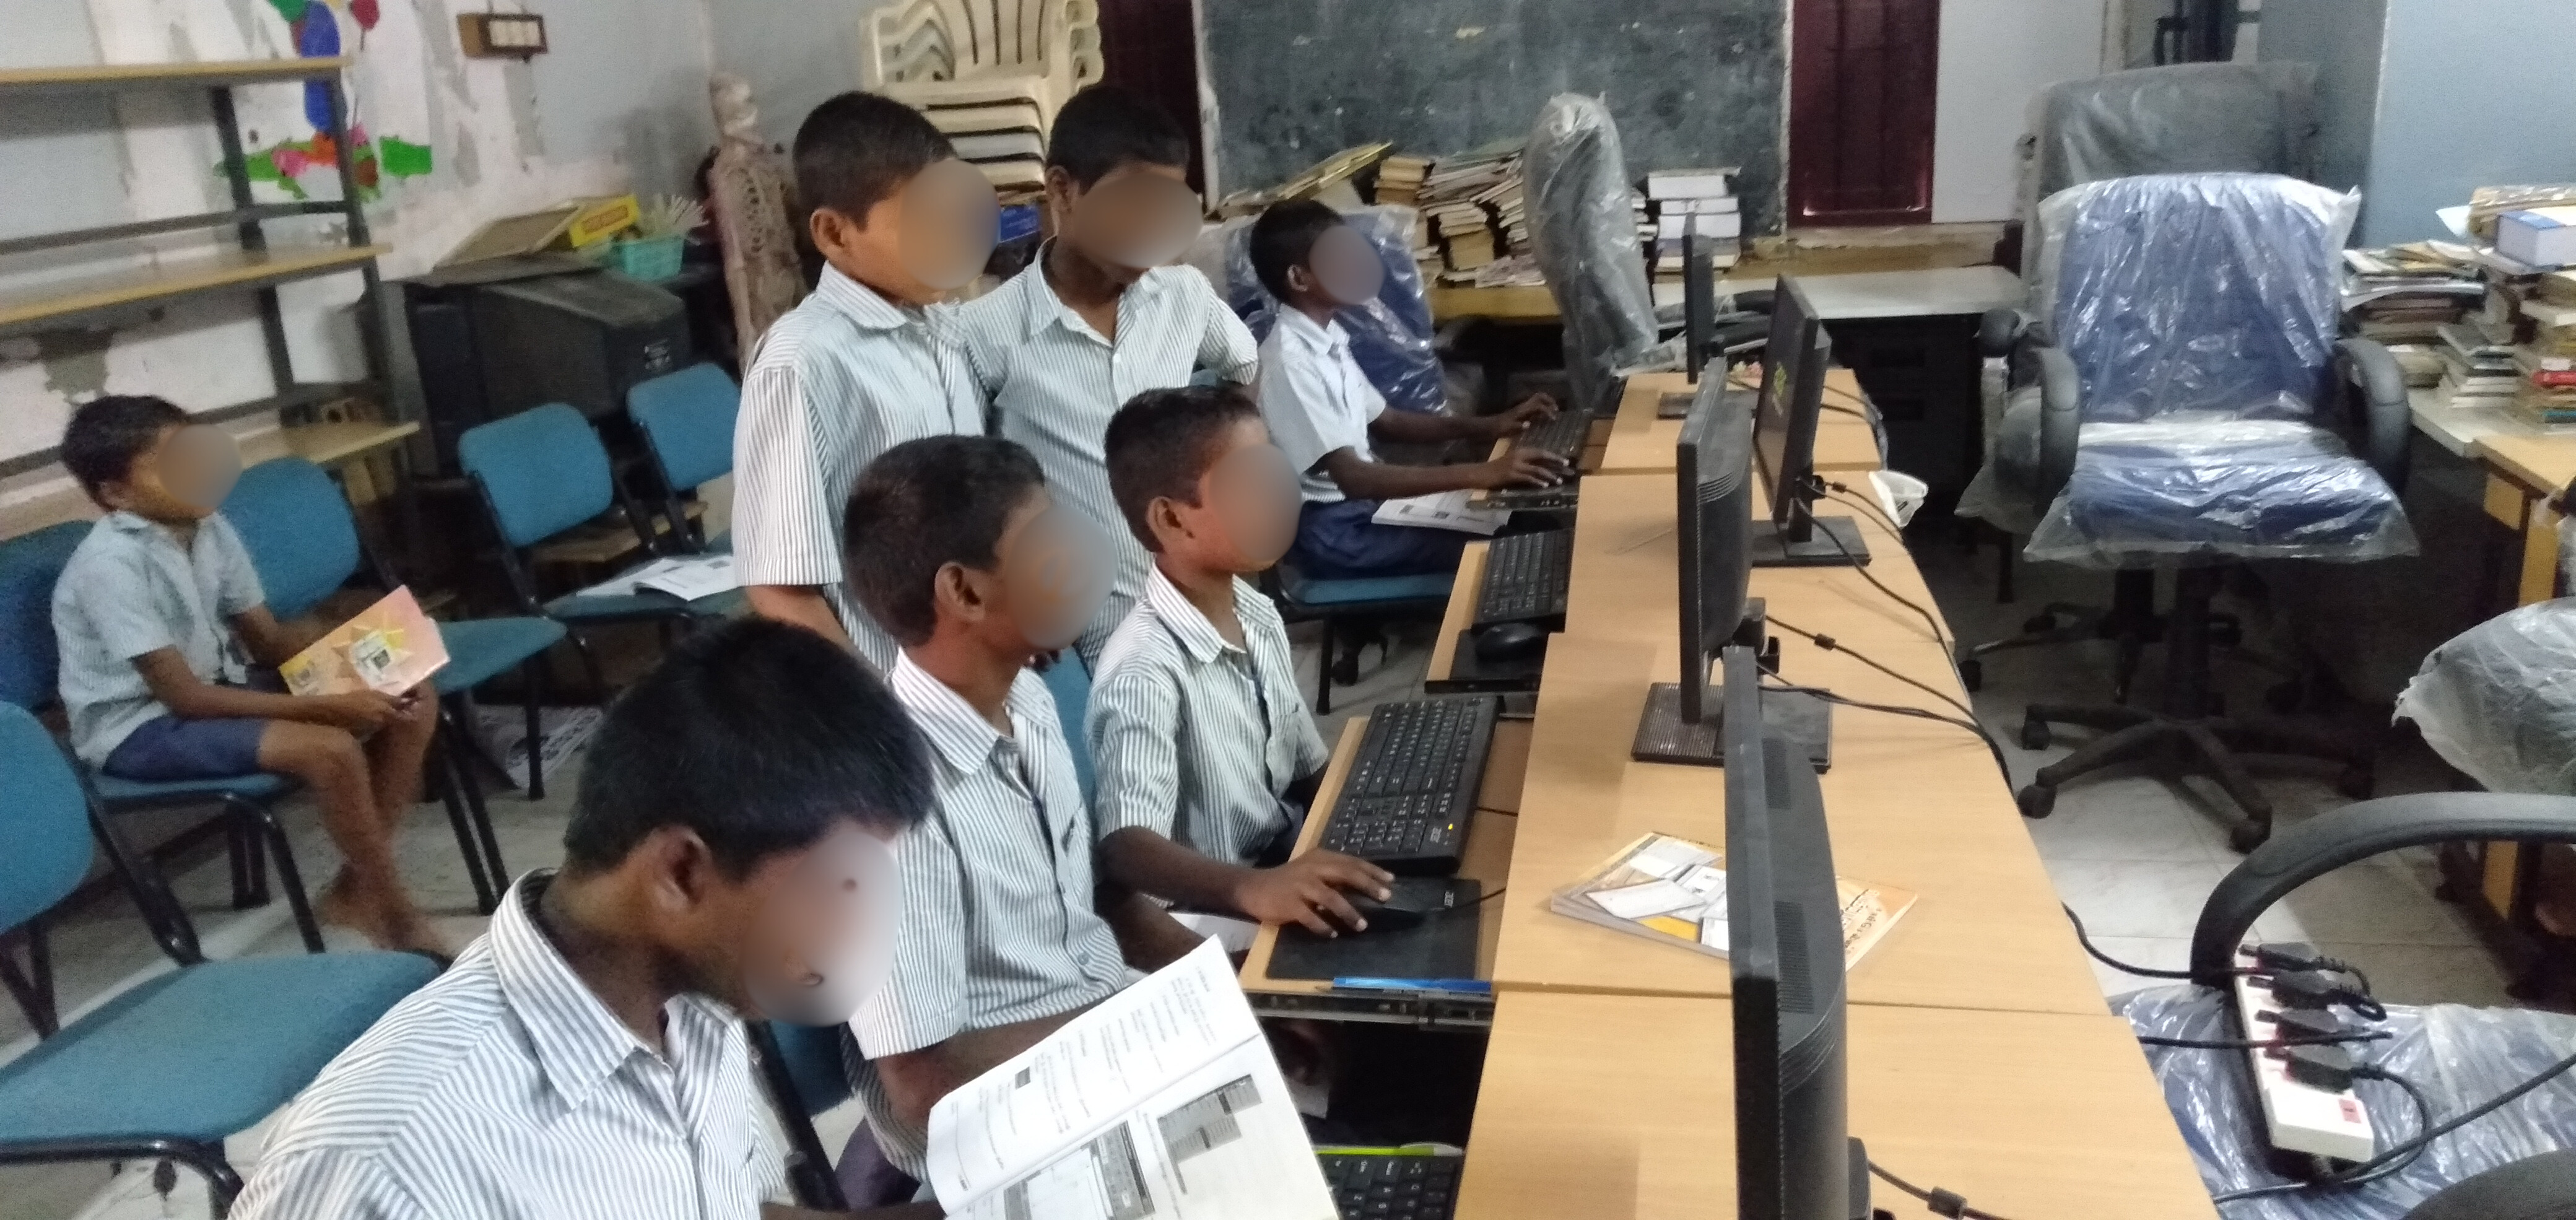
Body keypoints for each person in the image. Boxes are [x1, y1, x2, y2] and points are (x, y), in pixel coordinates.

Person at [231, 619, 938, 1220]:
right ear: (681, 873)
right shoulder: (384, 1167)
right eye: (836, 887)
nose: (852, 929)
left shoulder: (693, 1007)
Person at [843, 435, 1199, 1187]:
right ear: (965, 593)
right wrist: (1149, 1030)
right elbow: (920, 1081)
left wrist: (1223, 988)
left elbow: (1097, 898)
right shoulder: (886, 809)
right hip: (1019, 1129)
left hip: (1115, 1042)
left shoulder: (1027, 697)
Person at [50, 395, 444, 955]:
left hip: (218, 689)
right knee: (330, 750)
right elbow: (186, 699)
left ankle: (355, 892)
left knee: (412, 698)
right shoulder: (110, 567)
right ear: (116, 494)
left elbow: (268, 641)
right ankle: (397, 915)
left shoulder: (208, 526)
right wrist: (326, 706)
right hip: (138, 728)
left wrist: (370, 652)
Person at [955, 85, 1258, 663]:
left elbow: (1243, 365)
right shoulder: (985, 334)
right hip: (1092, 631)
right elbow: (971, 488)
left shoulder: (1185, 297)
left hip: (1202, 600)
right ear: (1062, 191)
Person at [1090, 386, 1394, 933]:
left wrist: (1381, 820)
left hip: (1281, 857)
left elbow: (1305, 767)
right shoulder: (1143, 670)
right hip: (1213, 908)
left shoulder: (1257, 614)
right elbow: (1127, 846)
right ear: (1172, 520)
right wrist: (1253, 889)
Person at [735, 90, 996, 671]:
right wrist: (876, 707)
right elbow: (781, 589)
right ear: (834, 233)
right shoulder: (803, 361)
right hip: (895, 687)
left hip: (978, 669)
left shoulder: (939, 329)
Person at [1250, 198, 1570, 579]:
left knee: (1530, 518)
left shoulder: (1327, 338)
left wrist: (1493, 425)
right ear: (1300, 279)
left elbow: (1390, 422)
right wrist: (1485, 472)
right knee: (1524, 542)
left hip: (1363, 509)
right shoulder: (1291, 362)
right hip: (1336, 531)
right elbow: (1354, 478)